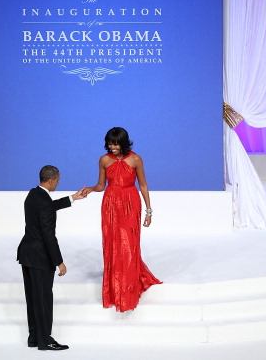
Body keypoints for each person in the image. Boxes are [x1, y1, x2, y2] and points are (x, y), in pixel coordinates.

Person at [83, 127, 161, 312]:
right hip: (110, 204)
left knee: (129, 243)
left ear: (124, 142)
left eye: (116, 143)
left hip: (130, 203)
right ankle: (114, 286)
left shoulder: (135, 159)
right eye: (110, 143)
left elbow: (142, 184)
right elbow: (102, 185)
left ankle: (128, 287)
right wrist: (91, 189)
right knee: (112, 243)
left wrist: (149, 211)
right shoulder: (104, 160)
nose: (113, 147)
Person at [17, 165, 86, 351]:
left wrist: (73, 198)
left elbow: (48, 206)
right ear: (50, 180)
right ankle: (45, 340)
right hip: (40, 258)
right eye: (57, 180)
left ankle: (34, 337)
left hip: (27, 255)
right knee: (43, 299)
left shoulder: (33, 195)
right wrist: (59, 262)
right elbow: (49, 235)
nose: (58, 182)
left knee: (33, 299)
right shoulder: (43, 201)